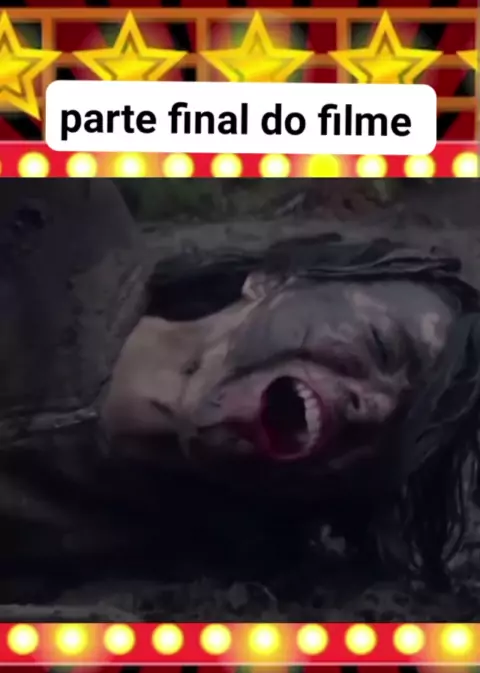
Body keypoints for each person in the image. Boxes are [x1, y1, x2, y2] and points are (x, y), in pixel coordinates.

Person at [1, 179, 479, 594]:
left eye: (394, 437)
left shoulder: (165, 557)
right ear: (274, 282)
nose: (371, 406)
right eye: (380, 345)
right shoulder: (55, 210)